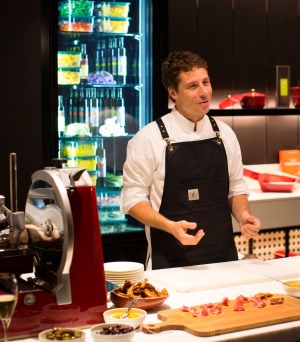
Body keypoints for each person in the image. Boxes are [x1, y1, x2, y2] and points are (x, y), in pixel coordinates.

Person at [120, 50, 261, 270]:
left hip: (223, 257)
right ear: (173, 92)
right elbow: (132, 200)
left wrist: (243, 215)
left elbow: (235, 187)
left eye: (206, 82)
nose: (204, 92)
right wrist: (169, 226)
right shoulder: (148, 138)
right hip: (169, 260)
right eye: (193, 86)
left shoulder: (224, 133)